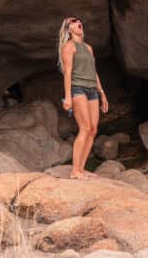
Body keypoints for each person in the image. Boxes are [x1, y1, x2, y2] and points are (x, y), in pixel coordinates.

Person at [58, 17, 109, 179]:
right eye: (74, 21)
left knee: (93, 130)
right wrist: (67, 97)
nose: (78, 22)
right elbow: (67, 73)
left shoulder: (88, 48)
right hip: (78, 89)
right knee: (85, 128)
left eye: (79, 20)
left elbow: (94, 72)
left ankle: (81, 168)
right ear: (69, 28)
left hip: (92, 90)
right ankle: (75, 171)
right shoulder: (68, 47)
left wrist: (102, 94)